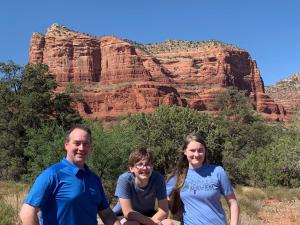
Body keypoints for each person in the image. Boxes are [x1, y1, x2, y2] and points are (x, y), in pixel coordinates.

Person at [19, 124, 121, 225]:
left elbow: (106, 214)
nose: (81, 148)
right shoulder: (52, 174)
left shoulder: (94, 179)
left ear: (90, 147)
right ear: (66, 145)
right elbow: (27, 212)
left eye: (86, 144)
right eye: (77, 143)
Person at [166, 133, 239, 225]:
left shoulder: (217, 171)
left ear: (205, 151)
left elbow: (233, 203)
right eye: (192, 150)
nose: (196, 154)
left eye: (200, 150)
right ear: (185, 151)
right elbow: (164, 199)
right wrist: (173, 214)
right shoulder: (177, 176)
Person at [113, 148, 173, 225]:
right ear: (131, 168)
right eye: (140, 164)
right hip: (123, 215)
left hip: (147, 213)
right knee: (133, 224)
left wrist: (150, 222)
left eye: (148, 164)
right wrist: (150, 222)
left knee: (168, 223)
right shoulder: (124, 179)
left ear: (152, 167)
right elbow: (128, 213)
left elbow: (164, 210)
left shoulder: (158, 179)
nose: (144, 168)